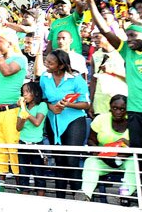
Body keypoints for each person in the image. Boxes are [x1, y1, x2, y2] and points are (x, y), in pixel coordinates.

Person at [85, 0, 142, 207]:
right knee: (140, 159)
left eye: (133, 35)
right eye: (127, 35)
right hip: (136, 114)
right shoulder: (127, 52)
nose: (129, 39)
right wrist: (91, 2)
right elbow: (105, 30)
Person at [39, 49, 90, 198]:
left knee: (71, 159)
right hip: (53, 120)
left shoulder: (76, 78)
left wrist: (67, 105)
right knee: (59, 160)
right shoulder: (44, 77)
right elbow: (43, 98)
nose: (46, 64)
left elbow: (86, 104)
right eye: (46, 61)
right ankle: (59, 199)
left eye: (50, 62)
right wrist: (51, 107)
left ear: (61, 66)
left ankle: (77, 198)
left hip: (73, 120)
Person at [0, 28, 27, 187]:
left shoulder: (20, 59)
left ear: (10, 44)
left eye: (0, 41)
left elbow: (7, 71)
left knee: (13, 150)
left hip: (12, 111)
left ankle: (20, 188)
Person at [79, 95, 135, 204]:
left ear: (127, 110)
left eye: (122, 109)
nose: (118, 112)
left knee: (135, 163)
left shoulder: (133, 121)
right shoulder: (101, 119)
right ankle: (85, 196)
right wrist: (100, 152)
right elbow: (91, 140)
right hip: (104, 158)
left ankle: (125, 196)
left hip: (125, 159)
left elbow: (139, 145)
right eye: (115, 108)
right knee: (90, 162)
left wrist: (127, 144)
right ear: (110, 107)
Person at [16, 81, 48, 196]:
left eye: (27, 91)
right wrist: (23, 114)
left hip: (36, 144)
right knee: (23, 174)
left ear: (35, 93)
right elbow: (18, 127)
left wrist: (26, 112)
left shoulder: (42, 105)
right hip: (22, 143)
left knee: (38, 174)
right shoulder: (23, 108)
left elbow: (37, 122)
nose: (24, 94)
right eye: (23, 92)